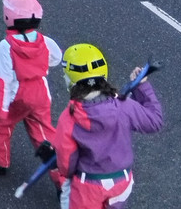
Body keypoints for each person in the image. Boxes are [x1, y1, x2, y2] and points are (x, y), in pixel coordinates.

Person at [55, 44, 163, 209]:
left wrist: (67, 174)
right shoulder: (124, 105)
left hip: (88, 186)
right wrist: (141, 87)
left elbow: (66, 163)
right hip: (122, 181)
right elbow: (154, 120)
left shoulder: (69, 117)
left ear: (71, 81)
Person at [0, 0, 64, 187]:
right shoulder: (45, 41)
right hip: (41, 93)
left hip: (18, 96)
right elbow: (56, 58)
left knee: (0, 126)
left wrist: (0, 111)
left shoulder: (6, 46)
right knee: (44, 133)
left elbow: (3, 81)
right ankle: (63, 179)